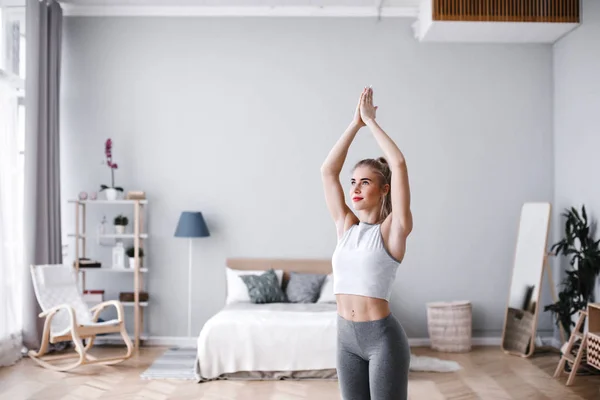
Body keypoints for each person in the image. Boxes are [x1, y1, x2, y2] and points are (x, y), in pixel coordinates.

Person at [320, 86, 412, 400]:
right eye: (353, 182)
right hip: (345, 338)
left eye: (366, 182)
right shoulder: (346, 227)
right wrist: (354, 124)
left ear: (384, 189)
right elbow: (328, 171)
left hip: (382, 341)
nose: (356, 189)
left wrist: (371, 122)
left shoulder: (392, 230)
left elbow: (398, 165)